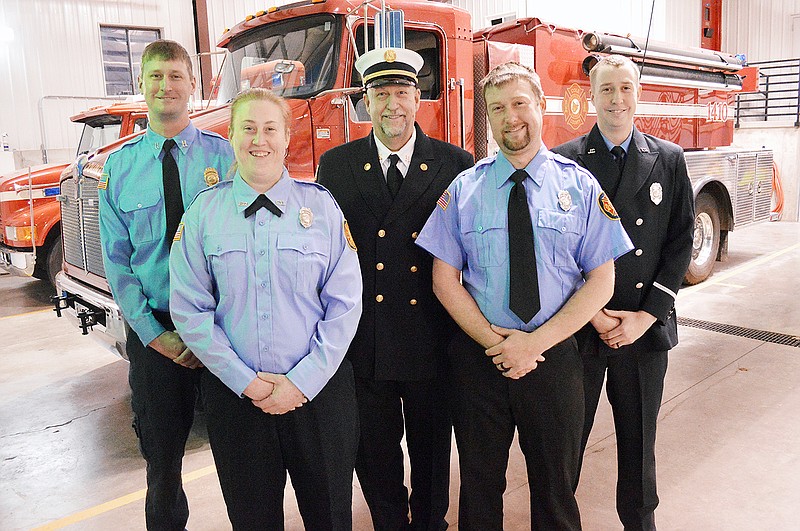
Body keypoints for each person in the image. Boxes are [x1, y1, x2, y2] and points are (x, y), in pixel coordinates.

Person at [416, 62, 633, 530]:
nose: (510, 117)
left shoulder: (578, 186)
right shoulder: (465, 189)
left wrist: (534, 344)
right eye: (497, 109)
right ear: (488, 120)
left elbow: (602, 280)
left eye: (519, 103)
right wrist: (497, 344)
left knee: (556, 490)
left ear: (539, 106)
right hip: (481, 360)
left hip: (553, 360)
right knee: (478, 489)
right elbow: (443, 280)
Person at [169, 88, 363, 530]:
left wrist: (302, 382)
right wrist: (247, 383)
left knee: (331, 518)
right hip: (237, 402)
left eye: (270, 128)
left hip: (317, 398)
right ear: (232, 137)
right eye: (248, 128)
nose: (260, 140)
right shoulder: (204, 213)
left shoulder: (322, 207)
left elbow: (345, 303)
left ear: (287, 137)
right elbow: (190, 310)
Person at [317, 46, 473, 531]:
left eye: (402, 93)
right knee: (375, 453)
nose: (392, 106)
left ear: (419, 98)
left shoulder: (454, 163)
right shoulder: (337, 165)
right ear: (365, 101)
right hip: (366, 341)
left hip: (432, 337)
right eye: (380, 94)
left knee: (431, 453)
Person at [552, 54, 694, 530]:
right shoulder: (567, 161)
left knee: (638, 444)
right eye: (606, 89)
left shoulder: (668, 160)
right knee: (567, 442)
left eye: (625, 89)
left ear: (639, 94)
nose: (616, 99)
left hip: (642, 330)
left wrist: (645, 317)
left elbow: (679, 244)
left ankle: (640, 521)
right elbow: (559, 248)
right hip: (582, 330)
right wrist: (595, 315)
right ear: (591, 96)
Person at [98, 39, 234, 530]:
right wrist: (155, 335)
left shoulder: (228, 157)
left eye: (176, 75)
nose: (165, 86)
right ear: (142, 85)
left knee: (243, 461)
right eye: (155, 76)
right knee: (162, 465)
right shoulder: (118, 168)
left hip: (224, 334)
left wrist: (208, 335)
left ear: (193, 86)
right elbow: (118, 264)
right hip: (155, 336)